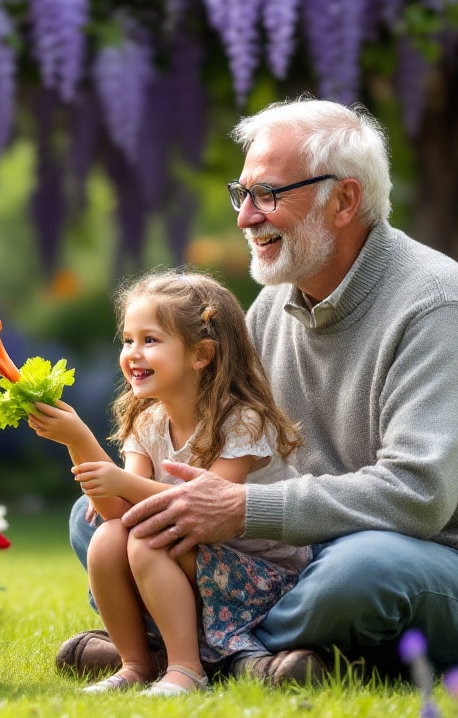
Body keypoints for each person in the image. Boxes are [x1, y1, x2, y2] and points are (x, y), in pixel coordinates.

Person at [57, 98, 458, 685]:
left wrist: (244, 510)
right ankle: (260, 657)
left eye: (268, 194)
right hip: (303, 557)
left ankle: (183, 654)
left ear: (344, 199)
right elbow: (216, 434)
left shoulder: (436, 306)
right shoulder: (277, 303)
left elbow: (418, 495)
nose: (246, 217)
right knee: (100, 518)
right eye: (241, 194)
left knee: (362, 571)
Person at [29, 270, 310, 695]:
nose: (133, 353)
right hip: (192, 559)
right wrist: (78, 440)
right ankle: (135, 664)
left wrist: (119, 479)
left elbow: (210, 507)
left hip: (264, 580)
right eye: (127, 340)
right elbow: (117, 513)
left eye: (150, 340)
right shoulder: (147, 422)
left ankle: (185, 669)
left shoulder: (242, 422)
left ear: (201, 354)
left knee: (147, 540)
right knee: (109, 537)